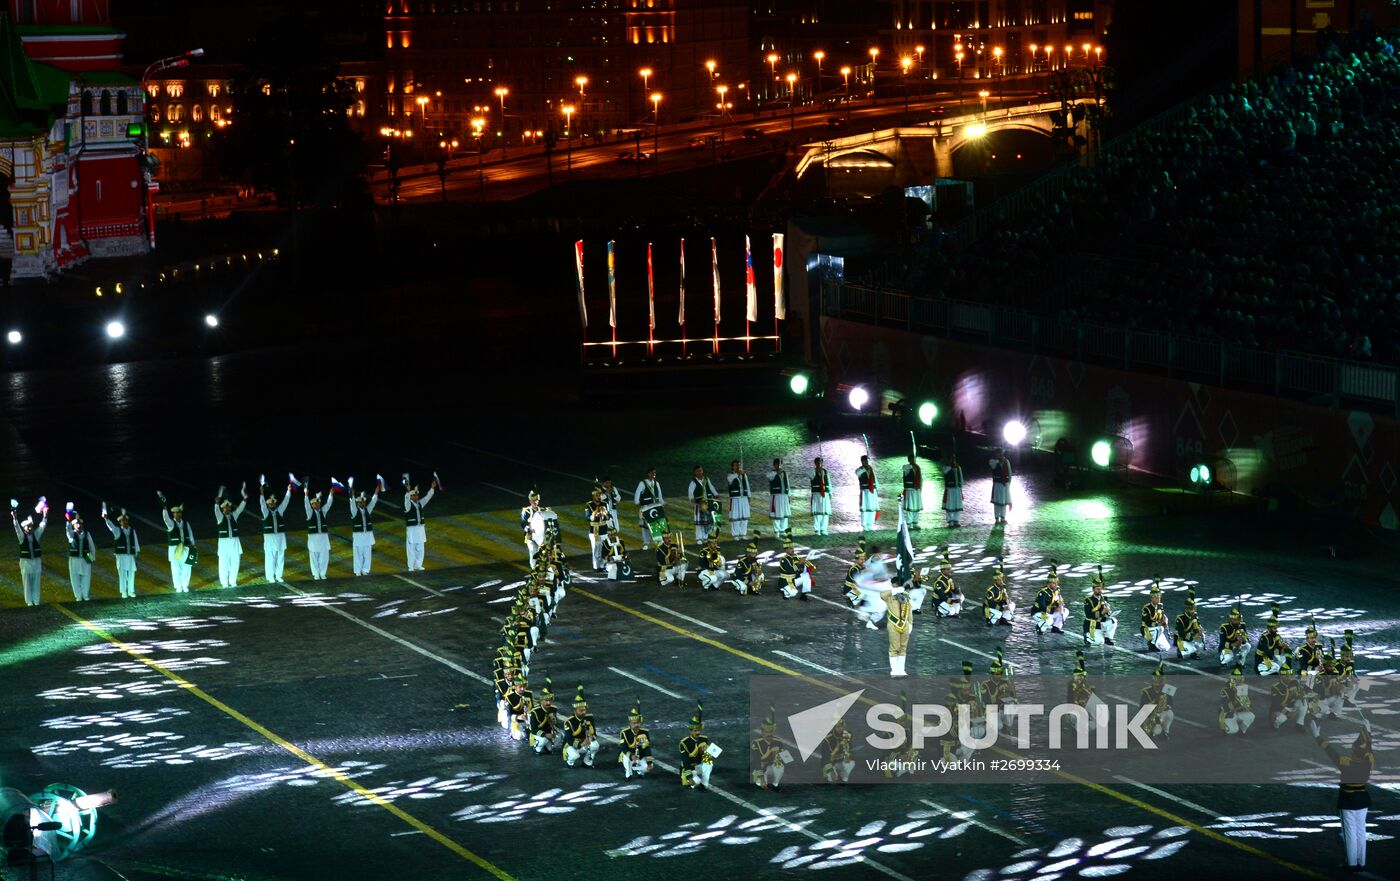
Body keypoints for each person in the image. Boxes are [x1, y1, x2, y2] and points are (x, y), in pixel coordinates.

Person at [1317, 726, 1374, 871]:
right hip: (1362, 798)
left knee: (1349, 832)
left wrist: (1318, 736)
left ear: (1354, 751)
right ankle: (1362, 861)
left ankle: (1351, 863)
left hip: (1348, 799)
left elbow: (1331, 752)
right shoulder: (1368, 761)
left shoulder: (1346, 762)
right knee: (1361, 830)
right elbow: (1369, 749)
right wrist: (1369, 732)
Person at [159, 492, 195, 593]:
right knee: (176, 569)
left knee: (187, 567)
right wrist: (164, 508)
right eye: (175, 513)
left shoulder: (186, 523)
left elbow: (190, 535)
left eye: (179, 512)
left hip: (186, 548)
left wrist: (193, 545)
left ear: (181, 513)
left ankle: (185, 585)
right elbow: (165, 519)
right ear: (173, 514)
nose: (177, 514)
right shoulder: (171, 524)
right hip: (174, 549)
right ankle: (178, 586)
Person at [100, 504, 139, 598]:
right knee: (122, 574)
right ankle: (124, 591)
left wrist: (136, 555)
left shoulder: (132, 530)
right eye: (123, 521)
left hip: (130, 556)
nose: (125, 522)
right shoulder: (117, 531)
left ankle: (131, 591)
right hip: (121, 556)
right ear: (120, 522)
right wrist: (106, 519)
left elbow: (136, 543)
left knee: (131, 574)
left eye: (126, 520)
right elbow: (111, 527)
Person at [213, 485, 248, 588]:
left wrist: (245, 500)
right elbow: (216, 511)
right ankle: (224, 582)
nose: (228, 509)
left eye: (229, 507)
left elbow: (240, 509)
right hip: (224, 543)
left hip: (234, 542)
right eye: (225, 507)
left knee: (235, 562)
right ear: (222, 508)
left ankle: (233, 581)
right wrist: (216, 503)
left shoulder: (234, 515)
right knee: (223, 563)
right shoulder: (220, 517)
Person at [259, 478, 293, 584]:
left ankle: (279, 575)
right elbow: (262, 504)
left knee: (280, 557)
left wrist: (288, 491)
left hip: (280, 537)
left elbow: (286, 501)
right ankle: (270, 576)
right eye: (270, 503)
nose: (272, 505)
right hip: (269, 538)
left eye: (273, 503)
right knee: (270, 557)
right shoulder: (265, 512)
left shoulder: (280, 510)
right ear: (268, 504)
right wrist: (261, 493)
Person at [403, 475, 438, 572]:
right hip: (411, 529)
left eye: (416, 495)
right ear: (411, 496)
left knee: (420, 547)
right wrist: (408, 491)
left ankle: (418, 565)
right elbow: (406, 499)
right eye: (413, 495)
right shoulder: (408, 505)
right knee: (411, 548)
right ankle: (411, 566)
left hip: (420, 528)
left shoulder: (420, 503)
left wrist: (432, 488)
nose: (416, 497)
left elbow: (427, 498)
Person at [882, 580, 914, 677]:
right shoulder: (889, 595)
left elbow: (910, 610)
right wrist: (894, 591)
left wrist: (911, 623)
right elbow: (882, 595)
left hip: (905, 624)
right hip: (893, 624)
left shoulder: (906, 595)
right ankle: (894, 671)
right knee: (894, 647)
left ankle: (901, 670)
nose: (895, 586)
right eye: (894, 585)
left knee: (903, 648)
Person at [679, 704, 714, 790]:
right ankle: (689, 779)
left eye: (699, 730)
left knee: (709, 761)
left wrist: (710, 752)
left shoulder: (704, 739)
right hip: (689, 768)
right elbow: (686, 761)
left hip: (698, 766)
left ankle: (704, 784)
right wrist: (689, 777)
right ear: (690, 731)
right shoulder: (684, 743)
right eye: (695, 731)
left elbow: (706, 756)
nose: (698, 732)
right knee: (695, 782)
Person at [349, 479, 380, 576]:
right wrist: (352, 495)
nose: (362, 504)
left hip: (367, 536)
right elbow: (352, 504)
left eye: (363, 502)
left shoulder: (368, 510)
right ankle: (357, 571)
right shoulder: (354, 511)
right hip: (358, 536)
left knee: (367, 554)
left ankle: (365, 569)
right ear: (357, 503)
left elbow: (373, 502)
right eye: (360, 503)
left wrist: (376, 492)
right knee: (358, 554)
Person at [564, 685, 600, 768]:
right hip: (572, 745)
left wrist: (592, 737)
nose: (583, 712)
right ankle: (569, 760)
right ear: (574, 711)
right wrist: (581, 744)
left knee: (595, 745)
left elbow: (594, 732)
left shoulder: (589, 717)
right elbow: (569, 740)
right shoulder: (569, 722)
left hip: (585, 742)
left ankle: (587, 761)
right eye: (581, 710)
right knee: (575, 756)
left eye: (584, 710)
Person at [64, 509, 96, 602]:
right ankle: (78, 596)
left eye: (80, 524)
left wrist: (92, 558)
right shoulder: (71, 535)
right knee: (75, 579)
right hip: (74, 559)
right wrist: (68, 520)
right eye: (76, 524)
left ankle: (85, 595)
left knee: (87, 577)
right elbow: (67, 530)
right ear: (73, 526)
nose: (78, 525)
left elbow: (91, 546)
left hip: (86, 557)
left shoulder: (87, 534)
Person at [1139, 663, 1175, 740]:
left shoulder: (1168, 688)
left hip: (1161, 712)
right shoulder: (1146, 691)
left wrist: (1166, 707)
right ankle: (1152, 732)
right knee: (1156, 728)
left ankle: (1165, 732)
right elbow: (1141, 708)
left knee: (1170, 714)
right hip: (1150, 714)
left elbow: (1171, 703)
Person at [304, 487, 334, 580]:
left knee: (324, 556)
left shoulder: (323, 511)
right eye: (314, 504)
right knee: (314, 556)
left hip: (323, 538)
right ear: (312, 505)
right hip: (313, 538)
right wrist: (306, 495)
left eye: (317, 503)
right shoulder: (309, 513)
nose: (316, 505)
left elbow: (329, 504)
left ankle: (323, 573)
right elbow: (306, 505)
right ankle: (316, 573)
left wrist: (331, 494)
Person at [619, 702, 653, 779]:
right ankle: (628, 773)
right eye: (634, 723)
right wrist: (631, 756)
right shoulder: (624, 733)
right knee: (626, 759)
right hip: (629, 756)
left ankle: (640, 771)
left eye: (637, 723)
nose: (636, 725)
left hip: (641, 756)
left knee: (648, 768)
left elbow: (647, 748)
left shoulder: (645, 732)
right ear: (630, 723)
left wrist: (650, 763)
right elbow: (623, 747)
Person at [752, 710, 785, 790]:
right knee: (760, 784)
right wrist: (761, 777)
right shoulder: (756, 742)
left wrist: (780, 755)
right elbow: (757, 760)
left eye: (770, 732)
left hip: (772, 766)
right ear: (762, 732)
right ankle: (763, 778)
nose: (769, 734)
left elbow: (787, 758)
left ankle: (775, 783)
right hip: (760, 767)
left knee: (780, 766)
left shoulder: (778, 742)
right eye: (766, 732)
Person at [1083, 570, 1118, 646]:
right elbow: (1089, 615)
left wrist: (1109, 611)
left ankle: (1108, 638)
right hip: (1091, 624)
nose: (1100, 591)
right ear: (1093, 589)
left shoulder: (1104, 598)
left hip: (1101, 622)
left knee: (1113, 621)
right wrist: (1102, 612)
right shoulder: (1088, 600)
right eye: (1098, 589)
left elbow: (1106, 613)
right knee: (1100, 642)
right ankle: (1087, 637)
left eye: (1101, 589)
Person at [633, 467, 664, 550]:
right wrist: (637, 505)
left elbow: (660, 495)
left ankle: (658, 541)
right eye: (652, 473)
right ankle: (646, 542)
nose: (654, 474)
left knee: (656, 524)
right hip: (646, 507)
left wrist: (662, 505)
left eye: (655, 473)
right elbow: (637, 494)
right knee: (645, 526)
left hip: (656, 507)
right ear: (648, 474)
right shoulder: (642, 483)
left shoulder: (656, 483)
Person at [529, 680, 563, 755]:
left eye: (550, 700)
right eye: (546, 700)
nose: (549, 703)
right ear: (541, 701)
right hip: (537, 734)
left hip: (548, 732)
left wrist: (554, 722)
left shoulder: (553, 709)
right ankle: (536, 748)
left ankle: (548, 746)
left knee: (559, 736)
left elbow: (555, 724)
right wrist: (545, 735)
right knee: (543, 739)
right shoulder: (535, 712)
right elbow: (533, 729)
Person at [1219, 665, 1255, 734]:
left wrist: (1246, 706)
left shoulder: (1242, 688)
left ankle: (1242, 731)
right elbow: (1226, 707)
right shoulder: (1225, 690)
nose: (1238, 680)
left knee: (1251, 716)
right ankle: (1225, 726)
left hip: (1238, 712)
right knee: (1233, 730)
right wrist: (1237, 700)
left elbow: (1246, 702)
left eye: (1239, 678)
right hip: (1228, 714)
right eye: (1236, 679)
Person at [688, 466, 720, 543]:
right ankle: (699, 538)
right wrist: (693, 501)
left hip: (708, 503)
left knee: (708, 521)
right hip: (699, 504)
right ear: (695, 473)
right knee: (699, 522)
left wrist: (716, 494)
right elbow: (690, 493)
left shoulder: (706, 479)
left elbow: (711, 487)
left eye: (701, 471)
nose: (700, 472)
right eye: (698, 471)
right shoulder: (693, 482)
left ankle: (706, 537)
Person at [1270, 661, 1307, 729]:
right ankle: (1275, 725)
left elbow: (1301, 694)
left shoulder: (1295, 682)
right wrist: (1287, 714)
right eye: (1285, 675)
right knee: (1281, 718)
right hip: (1280, 709)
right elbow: (1276, 704)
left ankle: (1299, 724)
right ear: (1280, 676)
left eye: (1289, 674)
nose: (1288, 677)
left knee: (1304, 702)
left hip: (1291, 706)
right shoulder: (1276, 687)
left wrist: (1301, 696)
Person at [1032, 565, 1067, 635]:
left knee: (1065, 611)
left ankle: (1056, 627)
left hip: (1050, 612)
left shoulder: (1056, 590)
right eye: (1054, 583)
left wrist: (1060, 605)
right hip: (1039, 612)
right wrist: (1055, 609)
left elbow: (1059, 600)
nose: (1056, 585)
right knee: (1049, 620)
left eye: (1056, 583)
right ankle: (1039, 627)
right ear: (1048, 583)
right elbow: (1042, 607)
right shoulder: (1043, 593)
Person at [585, 487, 611, 571]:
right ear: (593, 496)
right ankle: (596, 567)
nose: (599, 497)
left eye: (600, 495)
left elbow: (609, 516)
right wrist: (595, 516)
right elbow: (587, 517)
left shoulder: (604, 504)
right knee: (596, 549)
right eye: (597, 495)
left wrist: (606, 515)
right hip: (594, 530)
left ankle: (604, 565)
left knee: (605, 548)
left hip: (603, 529)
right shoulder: (589, 505)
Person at [1140, 581, 1171, 653]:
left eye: (1159, 597)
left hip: (1156, 630)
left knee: (1166, 647)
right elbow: (1147, 622)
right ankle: (1151, 644)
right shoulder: (1147, 608)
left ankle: (1154, 642)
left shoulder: (1160, 606)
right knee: (1160, 628)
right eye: (1156, 598)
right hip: (1147, 630)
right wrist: (1160, 623)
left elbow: (1163, 615)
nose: (1158, 599)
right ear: (1152, 598)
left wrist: (1165, 620)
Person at [822, 718, 855, 784]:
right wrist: (831, 770)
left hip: (841, 761)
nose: (840, 729)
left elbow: (850, 748)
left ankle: (843, 778)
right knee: (831, 779)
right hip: (830, 763)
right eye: (838, 727)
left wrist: (849, 756)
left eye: (842, 726)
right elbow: (825, 757)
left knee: (851, 763)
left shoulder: (846, 735)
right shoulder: (828, 739)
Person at [766, 458, 792, 542]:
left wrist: (789, 495)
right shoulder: (771, 473)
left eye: (780, 464)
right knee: (777, 514)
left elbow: (787, 484)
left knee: (784, 514)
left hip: (784, 496)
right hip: (776, 496)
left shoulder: (784, 473)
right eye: (777, 464)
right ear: (774, 465)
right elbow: (769, 477)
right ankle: (776, 531)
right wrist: (777, 472)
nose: (779, 466)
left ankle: (783, 530)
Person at [726, 460, 752, 540]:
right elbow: (730, 479)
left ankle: (743, 533)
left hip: (744, 498)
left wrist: (749, 495)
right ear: (732, 467)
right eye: (736, 465)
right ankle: (736, 534)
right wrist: (738, 474)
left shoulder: (744, 475)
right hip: (735, 499)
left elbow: (747, 485)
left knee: (744, 516)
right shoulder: (730, 475)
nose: (738, 467)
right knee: (735, 517)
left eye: (739, 465)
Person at [1175, 593, 1206, 659]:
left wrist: (1200, 631)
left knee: (1201, 642)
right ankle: (1180, 650)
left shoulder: (1194, 616)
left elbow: (1196, 628)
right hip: (1181, 639)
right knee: (1190, 646)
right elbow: (1182, 634)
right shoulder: (1180, 619)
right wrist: (1195, 635)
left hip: (1189, 636)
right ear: (1187, 609)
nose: (1194, 611)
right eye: (1192, 609)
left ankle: (1193, 653)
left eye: (1194, 608)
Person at [932, 553, 962, 617]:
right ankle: (939, 611)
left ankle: (954, 612)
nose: (950, 571)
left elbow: (954, 589)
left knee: (961, 597)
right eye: (948, 569)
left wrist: (958, 592)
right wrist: (954, 600)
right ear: (943, 570)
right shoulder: (939, 581)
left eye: (949, 569)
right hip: (939, 601)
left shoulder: (949, 578)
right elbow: (942, 597)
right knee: (952, 611)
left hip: (947, 599)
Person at [505, 676, 533, 742]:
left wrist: (529, 711)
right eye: (520, 687)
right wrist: (518, 717)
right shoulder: (509, 697)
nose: (523, 689)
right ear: (515, 687)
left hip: (527, 720)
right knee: (520, 736)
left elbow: (532, 708)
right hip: (516, 721)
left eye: (524, 686)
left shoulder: (528, 694)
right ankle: (512, 733)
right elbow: (508, 715)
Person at [809, 456, 832, 536]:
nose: (819, 464)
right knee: (817, 513)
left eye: (821, 462)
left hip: (825, 494)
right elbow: (810, 476)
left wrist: (830, 493)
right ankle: (817, 529)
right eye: (817, 462)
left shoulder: (825, 472)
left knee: (825, 513)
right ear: (815, 463)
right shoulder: (812, 471)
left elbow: (829, 482)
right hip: (816, 494)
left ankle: (824, 529)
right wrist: (817, 472)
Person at [521, 489, 545, 566]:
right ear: (530, 501)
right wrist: (529, 529)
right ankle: (535, 569)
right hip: (531, 536)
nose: (535, 502)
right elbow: (523, 523)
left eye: (536, 500)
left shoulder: (542, 510)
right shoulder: (526, 511)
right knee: (533, 552)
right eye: (533, 500)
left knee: (544, 554)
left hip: (541, 536)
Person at [989, 449, 1013, 525]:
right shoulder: (992, 461)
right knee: (997, 502)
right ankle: (996, 518)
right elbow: (993, 466)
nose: (1000, 455)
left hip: (1005, 484)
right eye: (998, 454)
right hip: (997, 484)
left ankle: (1003, 518)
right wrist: (998, 460)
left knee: (1004, 502)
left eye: (1001, 454)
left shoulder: (1006, 461)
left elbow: (1009, 473)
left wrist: (1009, 483)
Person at [856, 454, 878, 533]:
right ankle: (865, 525)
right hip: (865, 491)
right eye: (864, 461)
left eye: (867, 461)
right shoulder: (859, 470)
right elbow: (858, 473)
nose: (866, 462)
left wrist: (876, 489)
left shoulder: (870, 469)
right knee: (865, 508)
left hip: (872, 491)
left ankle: (870, 524)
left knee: (872, 508)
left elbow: (874, 479)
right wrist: (865, 469)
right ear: (862, 461)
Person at [901, 454, 923, 530]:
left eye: (914, 459)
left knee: (916, 506)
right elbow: (905, 473)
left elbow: (920, 479)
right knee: (910, 506)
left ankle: (915, 522)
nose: (913, 461)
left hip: (916, 490)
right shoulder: (906, 467)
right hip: (909, 490)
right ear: (909, 460)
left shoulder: (918, 467)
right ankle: (909, 523)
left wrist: (920, 488)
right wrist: (911, 467)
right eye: (911, 459)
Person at [942, 455, 964, 528]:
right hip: (950, 489)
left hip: (957, 488)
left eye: (953, 458)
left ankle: (956, 520)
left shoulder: (958, 467)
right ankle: (950, 520)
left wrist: (961, 485)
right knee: (950, 504)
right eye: (951, 459)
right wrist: (950, 466)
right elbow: (945, 472)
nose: (952, 460)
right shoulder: (946, 467)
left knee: (957, 504)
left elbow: (960, 476)